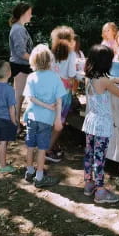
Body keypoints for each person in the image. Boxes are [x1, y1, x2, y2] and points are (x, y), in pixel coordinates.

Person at [82, 45, 119, 203]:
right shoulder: (104, 80)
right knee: (99, 157)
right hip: (102, 124)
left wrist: (113, 80)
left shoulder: (90, 77)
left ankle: (88, 184)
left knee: (89, 154)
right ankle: (100, 191)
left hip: (90, 121)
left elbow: (102, 84)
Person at [23, 44, 66, 188]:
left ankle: (29, 172)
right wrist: (57, 117)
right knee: (42, 148)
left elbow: (30, 98)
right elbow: (60, 100)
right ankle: (39, 177)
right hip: (46, 120)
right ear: (50, 61)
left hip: (31, 117)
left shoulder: (31, 77)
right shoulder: (55, 78)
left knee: (30, 146)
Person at [47, 26, 77, 162]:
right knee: (59, 123)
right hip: (63, 93)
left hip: (50, 90)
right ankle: (47, 149)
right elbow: (72, 74)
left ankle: (48, 146)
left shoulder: (50, 53)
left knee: (50, 120)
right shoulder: (71, 54)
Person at [0, 60, 18, 173]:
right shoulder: (9, 90)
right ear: (9, 73)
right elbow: (11, 108)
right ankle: (3, 165)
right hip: (5, 120)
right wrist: (14, 121)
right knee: (4, 142)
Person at [9, 2, 34, 130]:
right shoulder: (18, 29)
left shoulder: (20, 28)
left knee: (20, 96)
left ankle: (16, 123)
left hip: (23, 66)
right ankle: (15, 125)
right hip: (20, 66)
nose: (31, 15)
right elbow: (21, 52)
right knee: (18, 97)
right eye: (30, 13)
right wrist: (37, 59)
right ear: (23, 14)